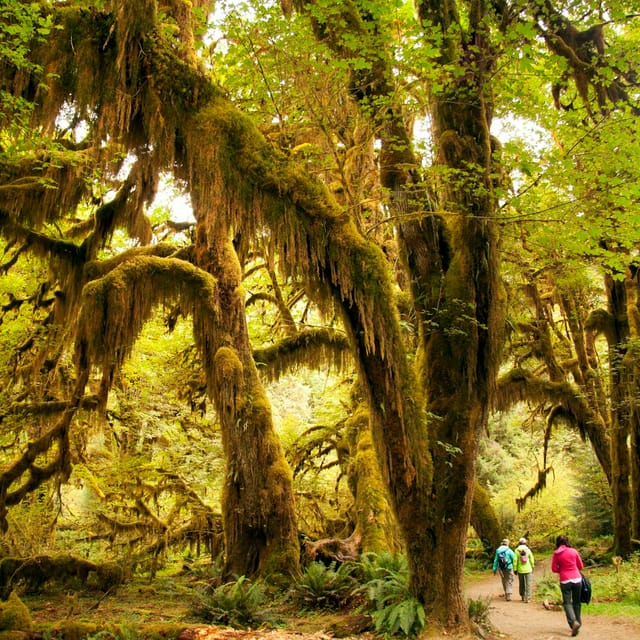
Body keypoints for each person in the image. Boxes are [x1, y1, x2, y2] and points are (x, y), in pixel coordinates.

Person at [551, 534, 584, 636]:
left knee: (567, 603)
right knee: (577, 602)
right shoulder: (574, 551)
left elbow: (554, 569)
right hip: (577, 579)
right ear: (567, 541)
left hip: (565, 580)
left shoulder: (556, 554)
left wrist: (562, 570)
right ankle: (578, 623)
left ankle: (573, 623)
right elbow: (581, 566)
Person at [513, 536, 535, 602]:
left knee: (521, 583)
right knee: (528, 583)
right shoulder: (528, 550)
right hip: (528, 569)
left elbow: (515, 560)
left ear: (519, 543)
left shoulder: (517, 550)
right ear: (525, 543)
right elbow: (531, 559)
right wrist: (532, 566)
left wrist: (515, 569)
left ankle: (522, 596)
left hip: (520, 570)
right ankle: (527, 598)